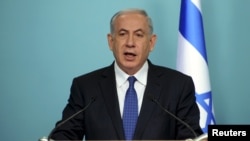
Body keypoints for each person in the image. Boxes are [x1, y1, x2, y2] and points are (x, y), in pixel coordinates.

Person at [50, 8, 203, 140]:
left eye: (139, 34)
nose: (130, 42)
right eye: (123, 34)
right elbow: (64, 135)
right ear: (111, 41)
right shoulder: (85, 87)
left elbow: (190, 136)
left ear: (151, 42)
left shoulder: (178, 85)